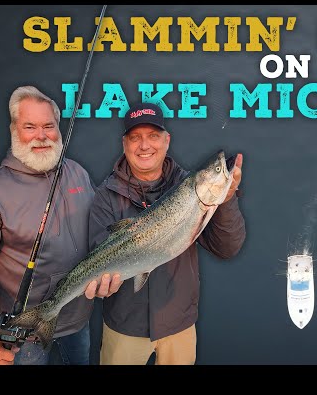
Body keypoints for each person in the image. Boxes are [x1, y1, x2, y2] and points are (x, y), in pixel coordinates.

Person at [0, 85, 120, 366]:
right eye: (30, 126)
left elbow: (101, 235)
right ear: (14, 129)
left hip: (78, 323)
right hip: (24, 336)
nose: (41, 136)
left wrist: (109, 273)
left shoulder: (77, 173)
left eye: (48, 126)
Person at [89, 103, 246, 365]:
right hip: (124, 325)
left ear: (167, 140)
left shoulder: (188, 186)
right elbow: (98, 251)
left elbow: (227, 249)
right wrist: (100, 284)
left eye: (153, 136)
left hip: (178, 323)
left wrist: (226, 200)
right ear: (124, 143)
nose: (144, 145)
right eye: (135, 137)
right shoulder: (106, 195)